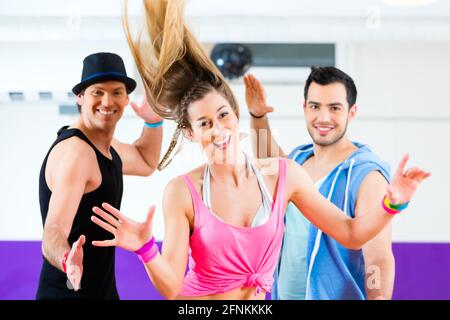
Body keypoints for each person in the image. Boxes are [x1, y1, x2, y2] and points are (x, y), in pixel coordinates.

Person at [90, 0, 430, 300]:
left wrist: (393, 203)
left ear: (235, 116)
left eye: (223, 115)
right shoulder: (181, 191)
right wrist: (146, 249)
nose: (218, 129)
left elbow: (352, 233)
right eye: (205, 124)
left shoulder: (285, 176)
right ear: (191, 133)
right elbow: (170, 286)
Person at [244, 67, 408, 299]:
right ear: (304, 108)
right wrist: (258, 117)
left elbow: (378, 256)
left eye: (334, 108)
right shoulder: (297, 161)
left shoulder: (366, 175)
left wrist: (378, 296)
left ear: (352, 112)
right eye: (315, 106)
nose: (323, 118)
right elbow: (268, 164)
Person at [36, 52, 164, 299]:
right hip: (69, 293)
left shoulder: (104, 146)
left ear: (127, 99)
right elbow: (54, 229)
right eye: (97, 92)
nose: (107, 101)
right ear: (80, 97)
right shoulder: (77, 152)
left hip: (101, 291)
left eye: (116, 92)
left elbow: (146, 161)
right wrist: (66, 259)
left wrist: (153, 122)